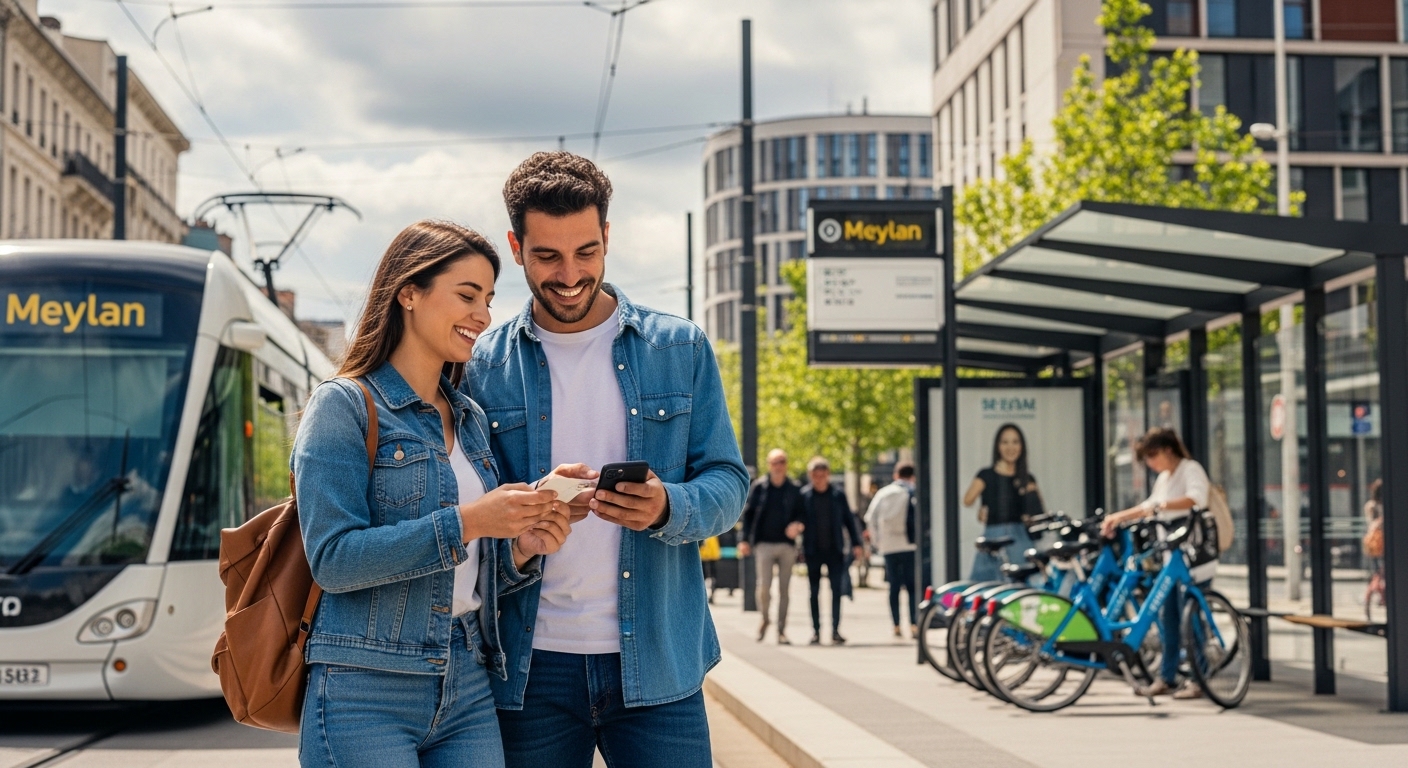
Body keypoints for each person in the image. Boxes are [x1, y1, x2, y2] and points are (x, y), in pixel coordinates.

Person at [467, 152, 749, 768]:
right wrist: (523, 527)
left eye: (586, 252)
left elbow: (729, 481)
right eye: (548, 256)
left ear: (607, 238)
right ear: (516, 248)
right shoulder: (481, 366)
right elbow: (465, 516)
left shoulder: (679, 346)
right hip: (529, 669)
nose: (570, 275)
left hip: (658, 661)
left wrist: (668, 506)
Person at [293, 221, 577, 767]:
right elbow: (333, 559)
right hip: (365, 685)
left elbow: (467, 572)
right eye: (467, 296)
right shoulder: (344, 406)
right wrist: (470, 521)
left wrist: (522, 546)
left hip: (467, 678)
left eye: (488, 299)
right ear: (409, 293)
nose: (483, 316)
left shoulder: (470, 418)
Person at [1100, 427, 1214, 700]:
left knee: (1189, 617)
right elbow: (1147, 506)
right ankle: (1167, 676)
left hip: (1193, 557)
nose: (1150, 463)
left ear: (1167, 450)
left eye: (1152, 456)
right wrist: (1117, 517)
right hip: (1171, 558)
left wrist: (1162, 506)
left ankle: (1200, 678)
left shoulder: (1190, 469)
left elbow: (1197, 499)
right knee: (1168, 617)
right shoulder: (1164, 478)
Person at [738, 448, 805, 644]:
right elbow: (748, 515)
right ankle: (765, 618)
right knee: (764, 587)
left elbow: (802, 514)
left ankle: (782, 630)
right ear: (769, 465)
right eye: (775, 462)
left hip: (786, 545)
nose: (778, 466)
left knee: (784, 589)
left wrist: (798, 525)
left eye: (782, 461)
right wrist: (744, 540)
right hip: (764, 544)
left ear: (786, 464)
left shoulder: (794, 488)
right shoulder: (759, 487)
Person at [963, 423, 1044, 581]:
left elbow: (1039, 513)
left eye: (1015, 442)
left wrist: (1031, 501)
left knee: (1025, 587)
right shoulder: (986, 475)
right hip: (993, 535)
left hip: (1019, 537)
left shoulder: (1027, 478)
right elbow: (967, 500)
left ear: (1022, 446)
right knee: (983, 586)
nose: (1010, 447)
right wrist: (981, 509)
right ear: (998, 446)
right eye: (1005, 442)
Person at [799, 456, 865, 646]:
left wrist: (857, 543)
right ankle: (816, 631)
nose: (819, 479)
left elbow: (849, 520)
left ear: (828, 474)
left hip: (835, 550)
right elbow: (798, 518)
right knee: (814, 592)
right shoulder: (804, 495)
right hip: (812, 550)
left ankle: (835, 630)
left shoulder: (838, 495)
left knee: (836, 591)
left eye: (822, 475)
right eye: (815, 476)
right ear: (811, 475)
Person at [865, 462, 918, 639]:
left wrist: (878, 543)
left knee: (894, 586)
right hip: (910, 545)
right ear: (912, 476)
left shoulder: (884, 493)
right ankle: (914, 623)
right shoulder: (914, 492)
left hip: (889, 546)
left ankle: (896, 624)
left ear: (896, 475)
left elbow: (870, 518)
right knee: (912, 587)